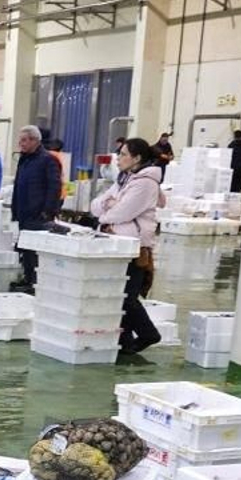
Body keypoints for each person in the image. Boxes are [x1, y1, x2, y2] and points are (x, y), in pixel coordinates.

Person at [91, 137, 165, 357]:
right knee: (116, 295)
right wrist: (108, 208)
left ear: (137, 158)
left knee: (126, 296)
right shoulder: (124, 179)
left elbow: (123, 212)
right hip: (116, 244)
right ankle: (124, 342)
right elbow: (96, 205)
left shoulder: (145, 183)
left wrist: (107, 212)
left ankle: (148, 334)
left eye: (123, 154)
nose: (118, 158)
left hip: (135, 247)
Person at [10, 125, 62, 294]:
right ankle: (27, 278)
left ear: (34, 140)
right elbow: (18, 184)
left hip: (38, 215)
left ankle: (35, 283)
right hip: (24, 214)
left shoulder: (48, 160)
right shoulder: (24, 159)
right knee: (25, 248)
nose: (20, 144)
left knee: (35, 251)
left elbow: (54, 187)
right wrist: (15, 209)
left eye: (24, 140)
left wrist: (47, 212)